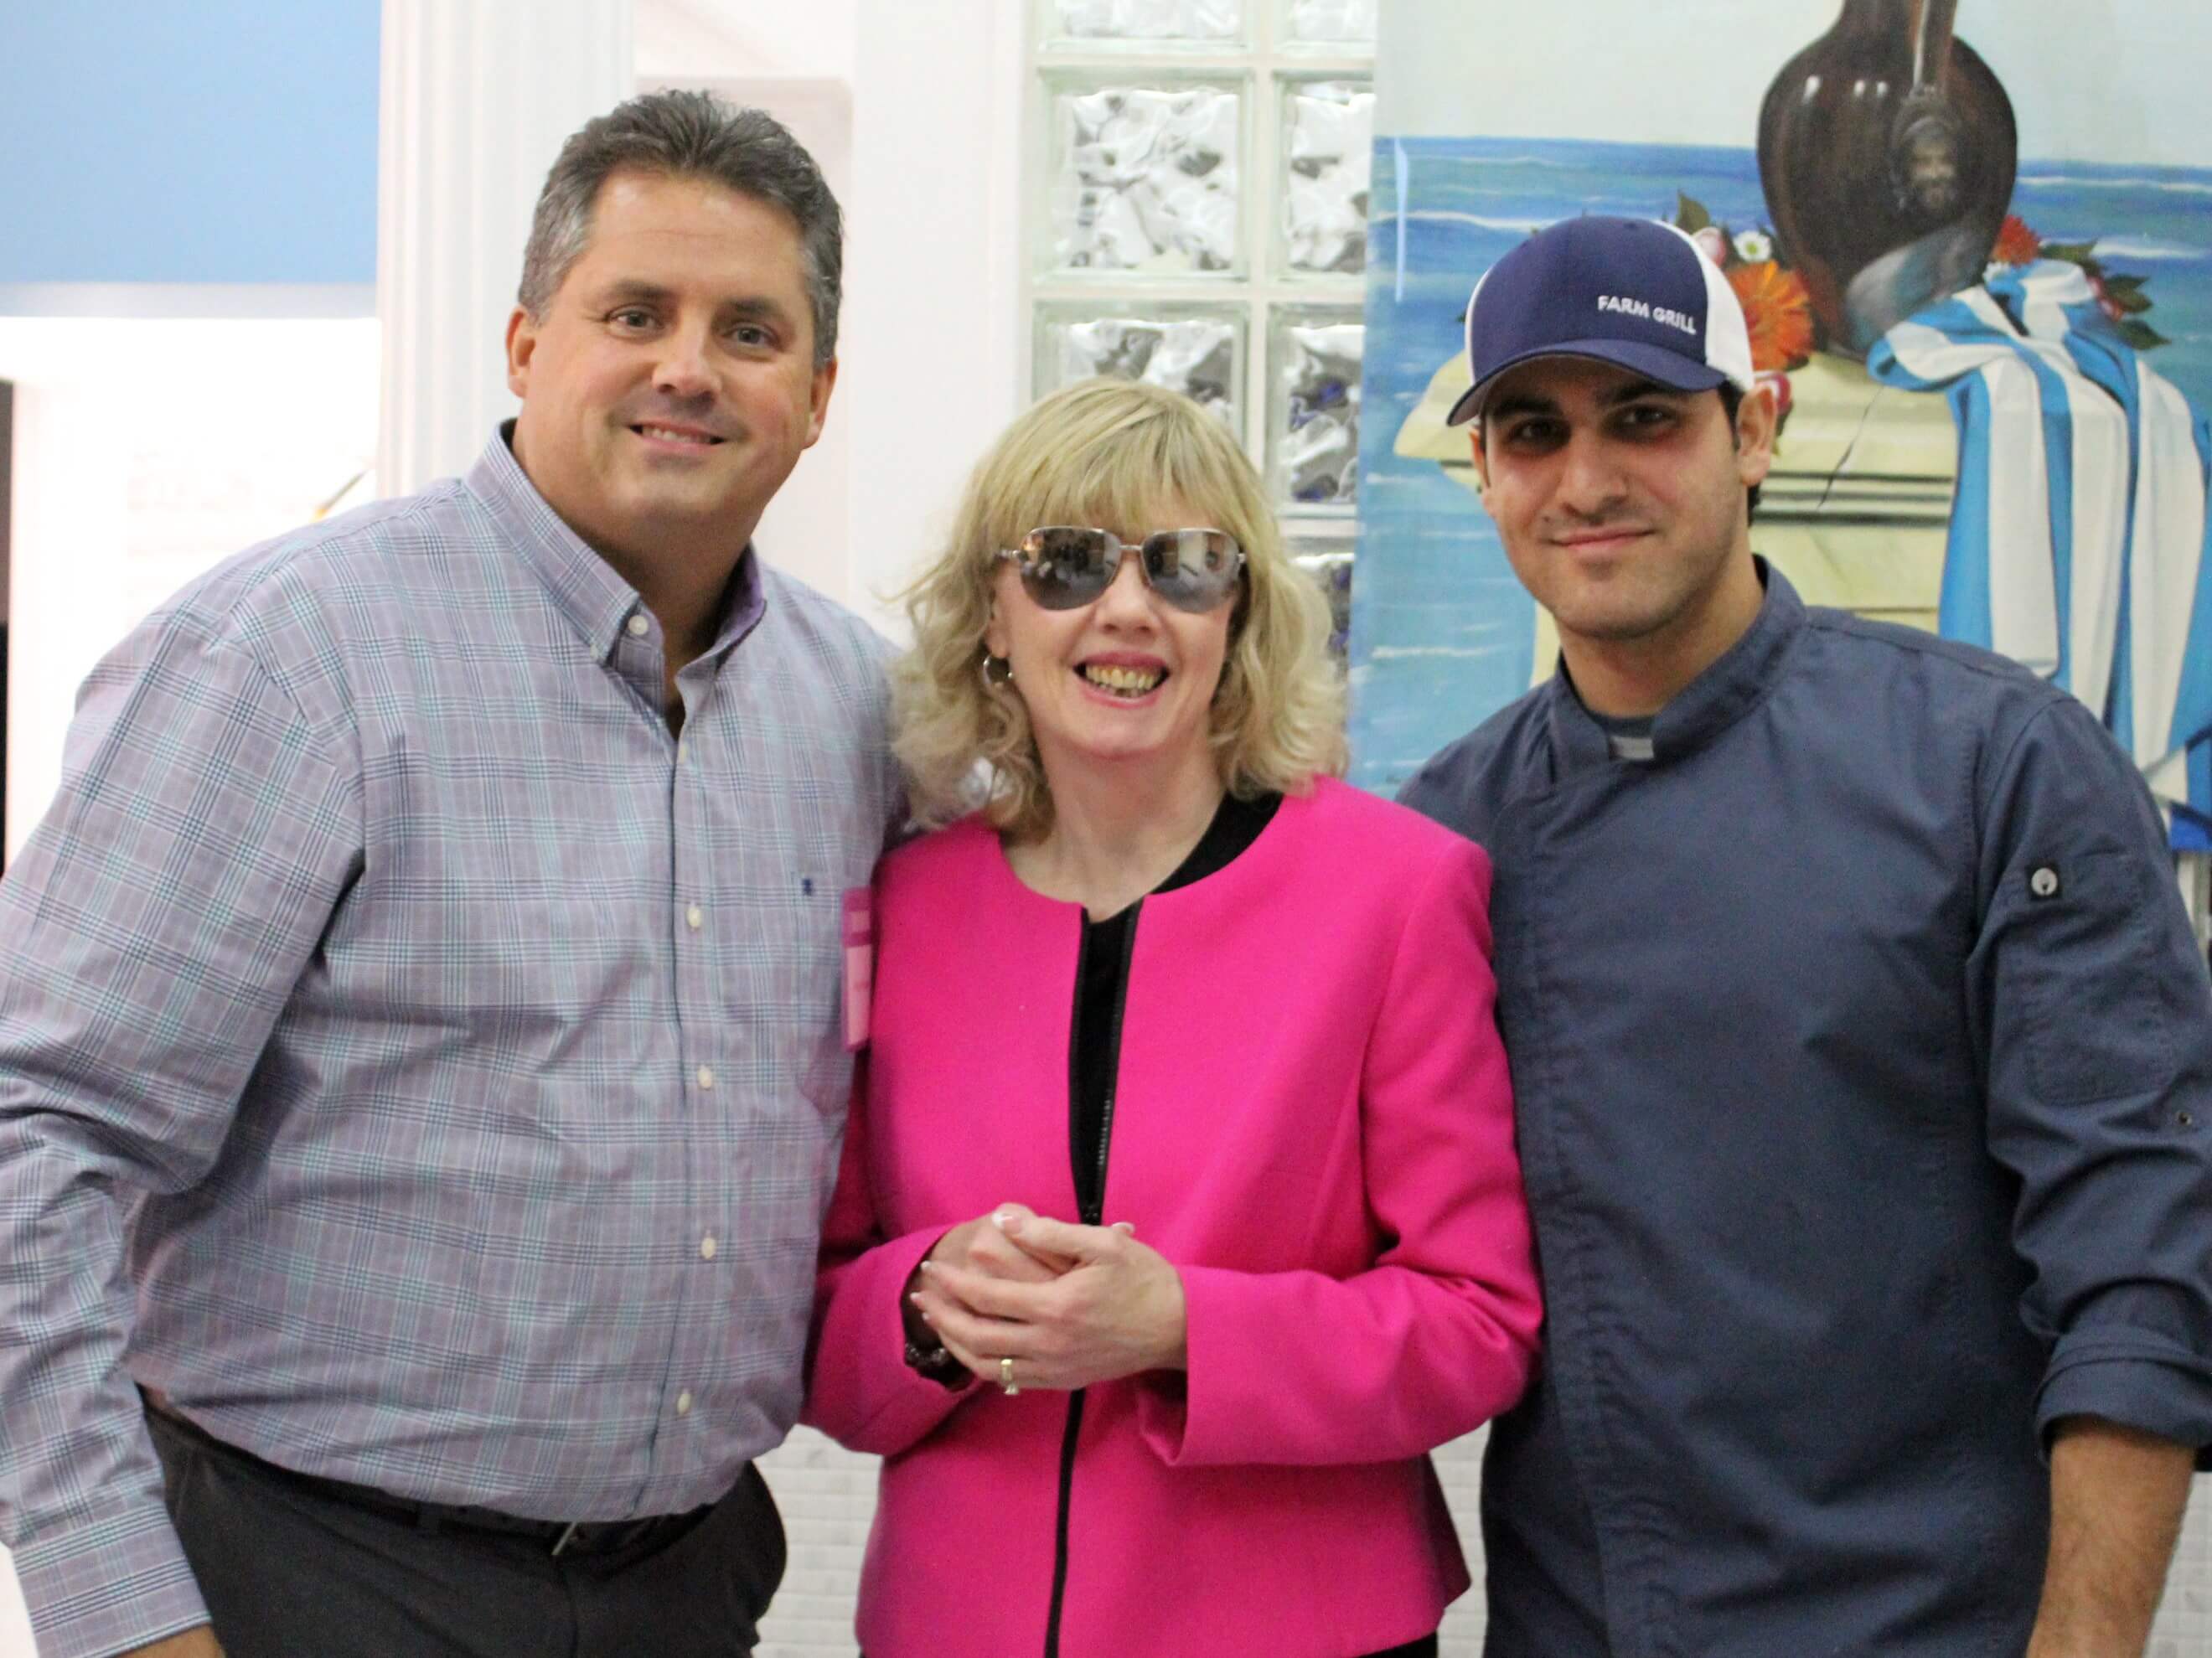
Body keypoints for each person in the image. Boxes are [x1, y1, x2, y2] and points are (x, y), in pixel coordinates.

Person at [0, 90, 899, 1658]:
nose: (689, 365)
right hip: (300, 1581)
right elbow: (39, 1136)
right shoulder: (289, 657)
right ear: (526, 343)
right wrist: (118, 1612)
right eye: (636, 311)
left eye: (749, 330)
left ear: (817, 396)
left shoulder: (857, 712)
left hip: (683, 1587)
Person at [1398, 214, 2212, 1656]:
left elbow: (2141, 1272)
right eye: (1533, 432)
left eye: (1644, 418)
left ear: (1754, 429)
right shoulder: (1444, 838)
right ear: (1486, 476)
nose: (1587, 481)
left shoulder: (1998, 765)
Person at [803, 377, 1543, 1658]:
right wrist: (921, 1304)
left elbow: (1480, 1322)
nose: (1130, 608)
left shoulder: (1401, 892)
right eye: (1069, 562)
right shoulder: (905, 901)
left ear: (1238, 613)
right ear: (993, 611)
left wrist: (1185, 1328)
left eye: (1189, 566)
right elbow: (810, 1323)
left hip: (1305, 1632)